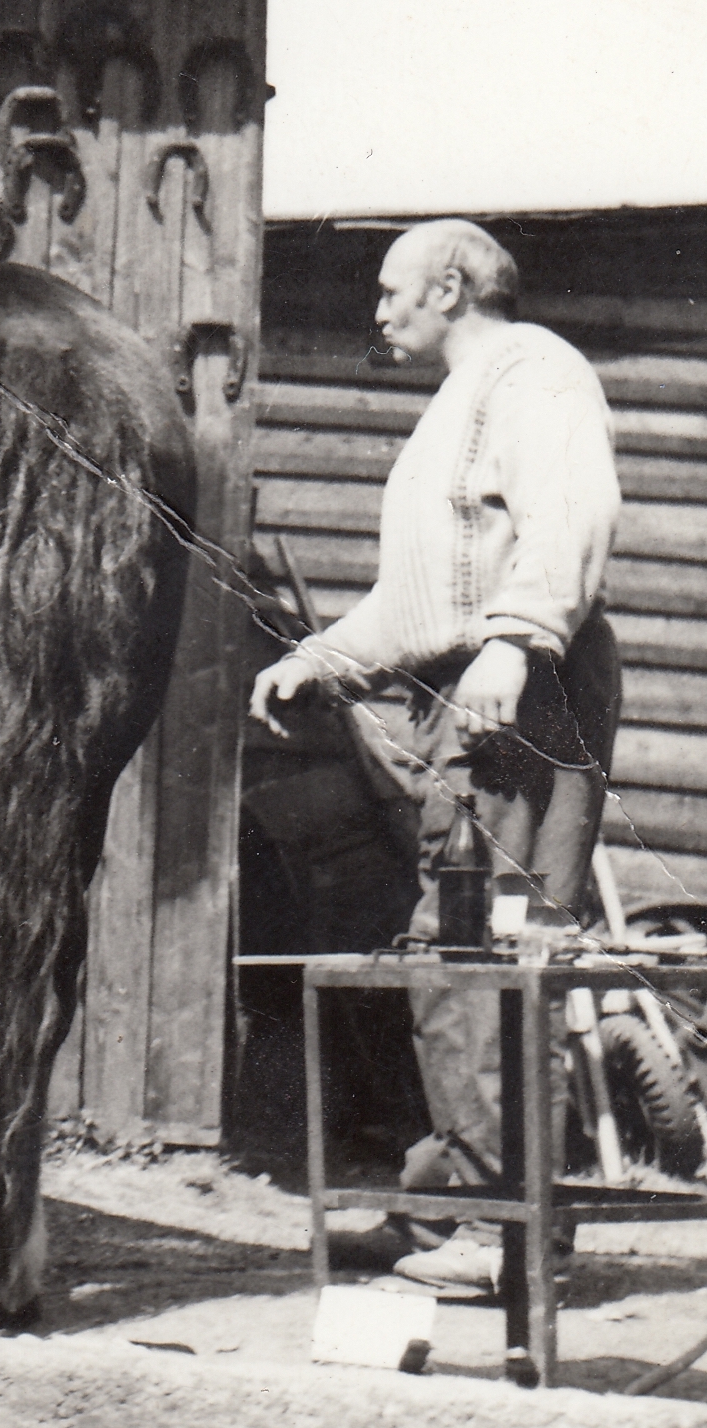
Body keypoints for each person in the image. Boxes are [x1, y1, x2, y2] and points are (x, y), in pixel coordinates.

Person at [250, 218, 620, 1293]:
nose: (377, 311)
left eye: (389, 290)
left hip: (522, 695)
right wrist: (319, 659)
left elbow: (572, 513)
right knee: (453, 950)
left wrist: (516, 640)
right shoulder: (459, 400)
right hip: (475, 689)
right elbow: (424, 595)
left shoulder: (533, 371)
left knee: (491, 951)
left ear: (449, 287)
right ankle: (453, 1207)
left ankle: (501, 1234)